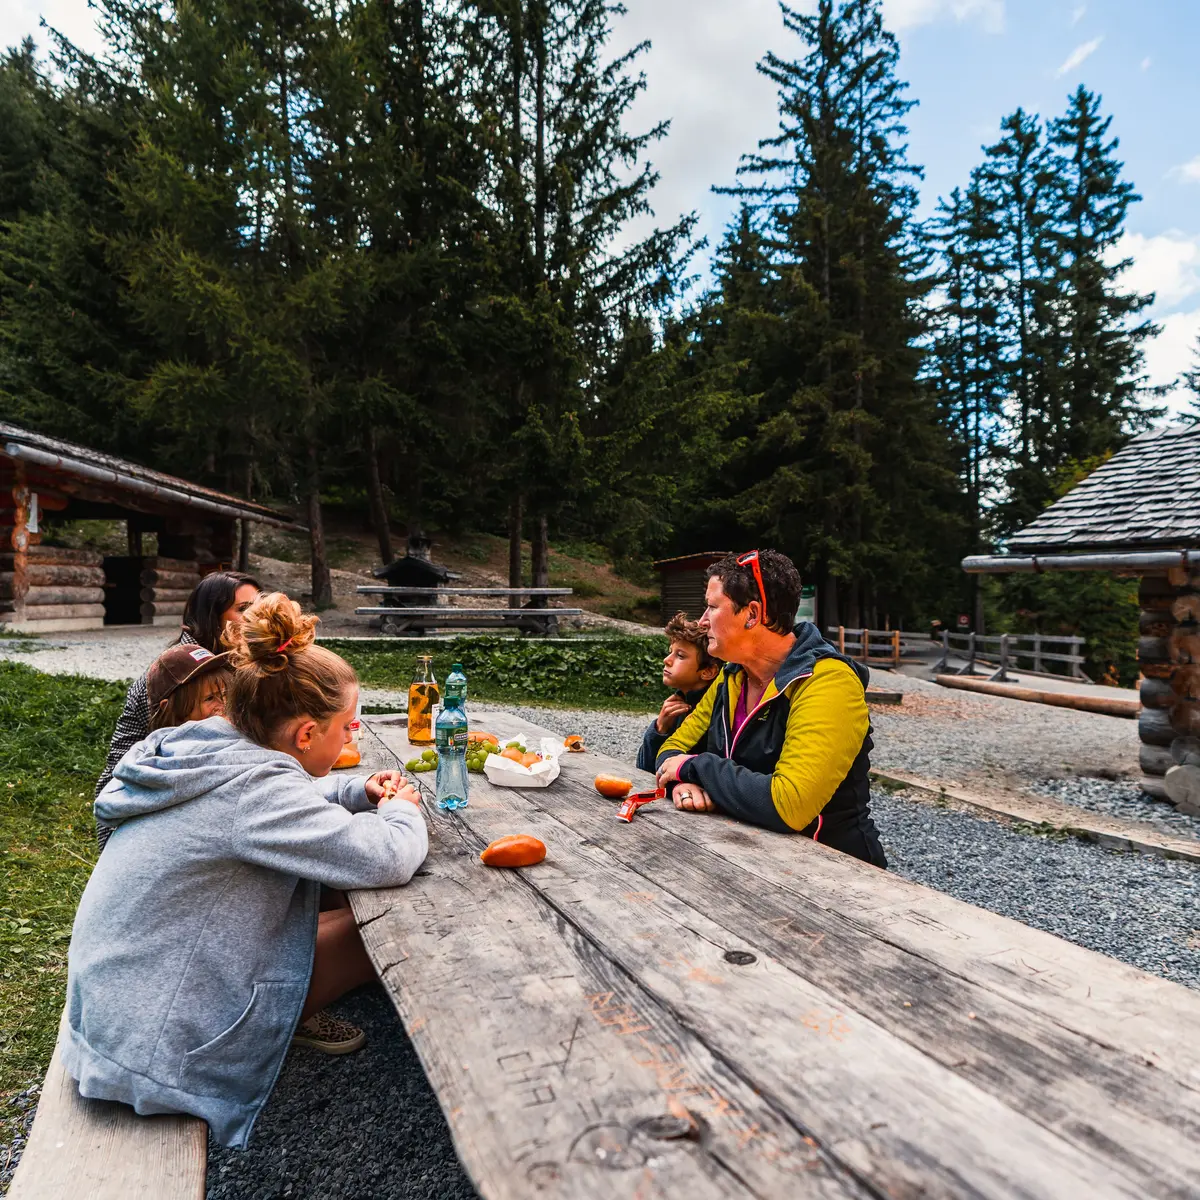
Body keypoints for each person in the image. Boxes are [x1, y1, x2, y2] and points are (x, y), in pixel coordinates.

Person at [63, 593, 428, 1149]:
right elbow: (386, 857)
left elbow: (279, 795)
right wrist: (402, 807)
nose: (353, 738)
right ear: (306, 734)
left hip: (117, 1014)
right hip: (158, 1053)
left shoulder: (202, 748)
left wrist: (355, 788)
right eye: (349, 726)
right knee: (389, 929)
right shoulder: (254, 791)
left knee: (337, 908)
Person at [655, 550, 886, 867]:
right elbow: (672, 749)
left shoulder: (828, 682)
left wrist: (696, 768)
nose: (702, 621)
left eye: (711, 607)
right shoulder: (732, 675)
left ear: (752, 613)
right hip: (754, 858)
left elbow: (788, 804)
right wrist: (683, 783)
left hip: (835, 872)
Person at [95, 570, 260, 849]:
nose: (256, 618)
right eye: (243, 609)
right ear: (212, 614)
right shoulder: (184, 672)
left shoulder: (233, 659)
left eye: (258, 608)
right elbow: (194, 756)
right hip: (135, 804)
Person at [635, 612, 722, 772]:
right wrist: (659, 729)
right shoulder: (677, 704)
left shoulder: (717, 714)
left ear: (708, 671)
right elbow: (642, 771)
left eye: (680, 655)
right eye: (670, 652)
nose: (666, 660)